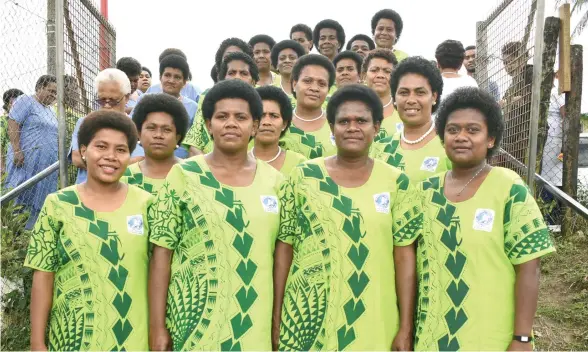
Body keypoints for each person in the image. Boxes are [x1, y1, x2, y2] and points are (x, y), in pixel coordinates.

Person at [273, 84, 419, 351]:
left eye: (361, 121)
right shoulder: (303, 177)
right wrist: (277, 317)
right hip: (308, 321)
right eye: (344, 121)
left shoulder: (396, 182)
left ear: (376, 128)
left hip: (376, 318)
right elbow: (285, 248)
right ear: (331, 128)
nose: (352, 127)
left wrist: (406, 327)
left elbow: (404, 257)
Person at [415, 87, 555, 351]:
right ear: (442, 137)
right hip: (432, 335)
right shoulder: (424, 191)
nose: (461, 137)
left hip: (492, 335)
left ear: (490, 139)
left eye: (472, 130)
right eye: (453, 130)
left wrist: (522, 337)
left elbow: (529, 267)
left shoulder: (507, 187)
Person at [148, 79, 283, 351]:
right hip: (192, 325)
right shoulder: (184, 175)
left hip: (254, 323)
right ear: (208, 125)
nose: (231, 123)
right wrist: (157, 326)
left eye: (241, 117)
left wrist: (276, 321)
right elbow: (162, 255)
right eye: (222, 116)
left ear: (255, 126)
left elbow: (281, 258)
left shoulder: (277, 183)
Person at [25, 110, 152, 351]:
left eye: (121, 150)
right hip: (74, 339)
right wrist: (37, 342)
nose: (110, 156)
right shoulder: (58, 205)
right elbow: (43, 275)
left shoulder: (147, 204)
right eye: (101, 146)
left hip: (133, 338)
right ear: (83, 151)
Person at [371, 56, 451, 182]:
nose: (411, 100)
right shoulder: (378, 149)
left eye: (420, 92)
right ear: (394, 97)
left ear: (434, 96)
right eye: (404, 92)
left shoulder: (450, 145)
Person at [70, 68, 145, 184]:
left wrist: (97, 163)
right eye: (102, 100)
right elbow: (77, 158)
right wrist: (114, 166)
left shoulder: (136, 126)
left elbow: (140, 160)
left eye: (113, 101)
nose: (107, 105)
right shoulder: (84, 123)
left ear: (126, 97)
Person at [6, 75, 58, 229]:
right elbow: (13, 122)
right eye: (50, 91)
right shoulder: (26, 100)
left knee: (40, 195)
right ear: (39, 88)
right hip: (27, 160)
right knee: (21, 193)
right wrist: (16, 150)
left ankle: (32, 231)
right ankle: (13, 231)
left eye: (55, 93)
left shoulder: (50, 111)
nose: (53, 95)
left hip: (46, 164)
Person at [183, 52, 259, 156]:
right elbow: (194, 146)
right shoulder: (209, 100)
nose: (237, 77)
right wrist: (211, 168)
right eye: (232, 73)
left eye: (243, 73)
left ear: (254, 81)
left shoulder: (264, 104)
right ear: (222, 79)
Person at [122, 94, 189, 195]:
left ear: (178, 137)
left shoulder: (192, 174)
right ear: (139, 133)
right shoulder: (124, 177)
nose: (158, 135)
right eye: (151, 128)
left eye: (167, 130)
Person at [134, 54, 197, 159]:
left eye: (177, 77)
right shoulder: (144, 100)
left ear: (184, 82)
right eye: (167, 75)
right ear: (160, 77)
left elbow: (194, 143)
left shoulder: (193, 108)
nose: (171, 80)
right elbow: (133, 128)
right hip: (144, 159)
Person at [280, 54, 337, 159]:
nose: (314, 88)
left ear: (328, 90)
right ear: (294, 84)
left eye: (322, 83)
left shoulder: (338, 125)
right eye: (307, 81)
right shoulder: (277, 123)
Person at [252, 85, 306, 175]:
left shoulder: (299, 163)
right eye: (261, 115)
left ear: (284, 124)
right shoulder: (237, 161)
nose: (266, 122)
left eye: (274, 116)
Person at [500, 41, 533, 165]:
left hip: (527, 133)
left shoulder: (530, 72)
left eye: (512, 61)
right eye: (505, 63)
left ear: (524, 58)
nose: (508, 66)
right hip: (513, 136)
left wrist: (508, 101)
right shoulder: (513, 82)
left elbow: (533, 96)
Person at [540, 72, 565, 224]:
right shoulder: (540, 94)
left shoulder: (558, 93)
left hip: (554, 141)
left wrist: (563, 144)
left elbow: (566, 114)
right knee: (543, 179)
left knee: (553, 180)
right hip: (543, 141)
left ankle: (554, 220)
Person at [362, 49, 402, 140]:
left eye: (387, 71)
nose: (380, 75)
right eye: (374, 70)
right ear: (363, 76)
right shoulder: (352, 108)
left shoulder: (403, 110)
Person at [270, 39, 306, 106]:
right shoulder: (270, 91)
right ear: (277, 65)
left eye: (292, 58)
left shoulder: (308, 89)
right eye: (282, 58)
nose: (287, 61)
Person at [1, 88, 24, 174]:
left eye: (18, 103)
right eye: (11, 103)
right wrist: (2, 166)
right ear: (7, 106)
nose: (15, 105)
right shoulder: (3, 121)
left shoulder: (26, 121)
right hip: (10, 163)